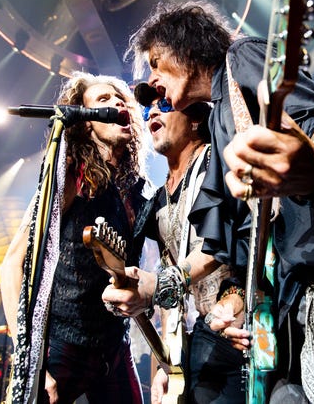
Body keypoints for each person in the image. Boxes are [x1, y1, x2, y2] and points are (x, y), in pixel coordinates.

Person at [119, 0, 314, 404]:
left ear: (187, 48)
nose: (152, 80)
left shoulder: (241, 58)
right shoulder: (218, 120)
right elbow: (233, 245)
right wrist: (224, 300)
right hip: (283, 306)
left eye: (156, 63)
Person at [0, 71, 149, 404]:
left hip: (114, 346)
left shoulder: (137, 190)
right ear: (86, 123)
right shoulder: (72, 173)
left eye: (121, 98)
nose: (117, 103)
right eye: (103, 100)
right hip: (65, 344)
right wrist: (29, 358)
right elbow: (11, 265)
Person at [105, 82, 246, 403]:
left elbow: (235, 241)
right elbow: (168, 293)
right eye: (148, 110)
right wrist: (167, 364)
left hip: (241, 327)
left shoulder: (218, 163)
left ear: (195, 119)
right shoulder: (158, 199)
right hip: (199, 341)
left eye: (165, 105)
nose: (153, 112)